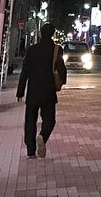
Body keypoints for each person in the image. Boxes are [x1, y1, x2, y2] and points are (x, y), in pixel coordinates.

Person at [17, 23, 67, 159]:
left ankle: (30, 150)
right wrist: (62, 81)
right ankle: (42, 136)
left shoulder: (32, 50)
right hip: (48, 89)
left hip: (33, 89)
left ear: (40, 33)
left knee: (30, 120)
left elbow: (25, 71)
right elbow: (61, 68)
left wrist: (20, 91)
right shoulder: (57, 49)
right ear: (52, 34)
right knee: (50, 119)